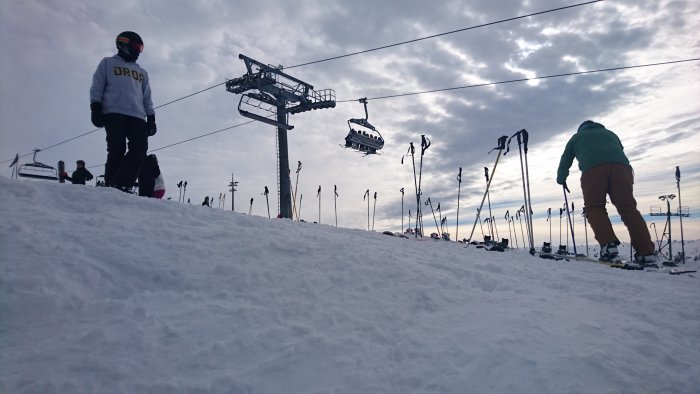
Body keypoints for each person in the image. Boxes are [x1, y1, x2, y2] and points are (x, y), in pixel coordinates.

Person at [557, 120, 656, 264]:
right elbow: (619, 150)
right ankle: (646, 252)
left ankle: (609, 246)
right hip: (622, 168)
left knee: (594, 207)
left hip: (593, 170)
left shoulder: (576, 138)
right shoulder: (611, 134)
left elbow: (565, 159)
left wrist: (561, 178)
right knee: (628, 209)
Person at [90, 31, 156, 192]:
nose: (138, 52)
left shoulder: (141, 72)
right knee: (116, 149)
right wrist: (95, 107)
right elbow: (97, 86)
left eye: (140, 49)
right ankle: (112, 186)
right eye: (136, 47)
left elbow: (147, 96)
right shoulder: (107, 63)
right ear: (124, 44)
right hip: (114, 112)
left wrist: (151, 117)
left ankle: (120, 184)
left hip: (137, 115)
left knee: (139, 149)